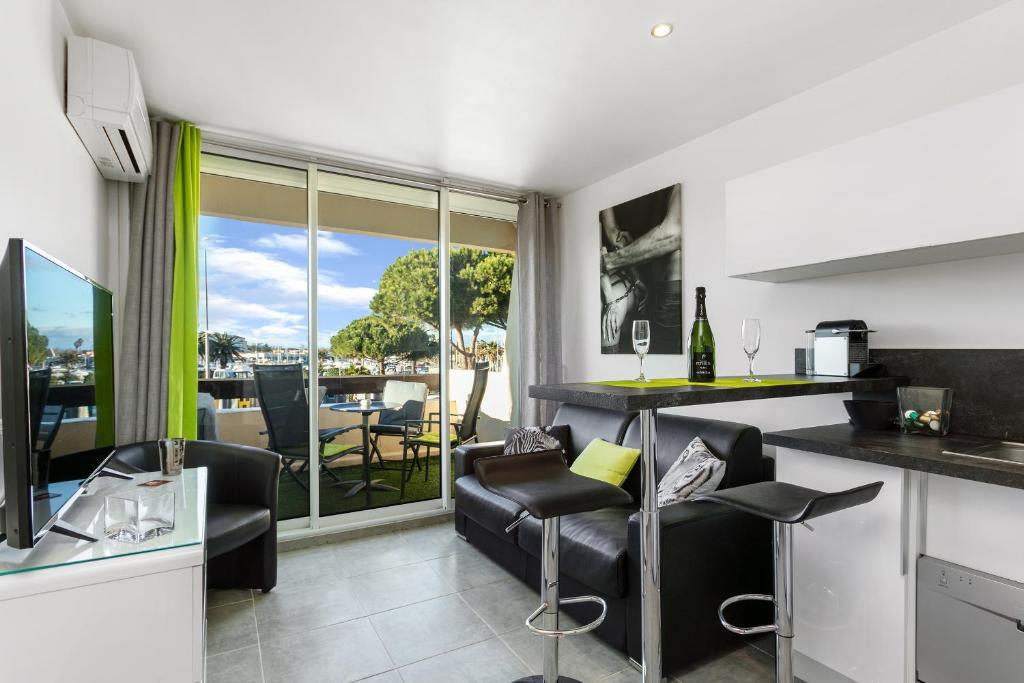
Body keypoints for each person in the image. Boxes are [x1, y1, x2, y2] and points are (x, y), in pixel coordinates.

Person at [599, 184, 682, 354]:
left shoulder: (676, 186)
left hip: (665, 281)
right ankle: (607, 375)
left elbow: (673, 235)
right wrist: (638, 282)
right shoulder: (605, 188)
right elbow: (613, 237)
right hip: (633, 270)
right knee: (612, 306)